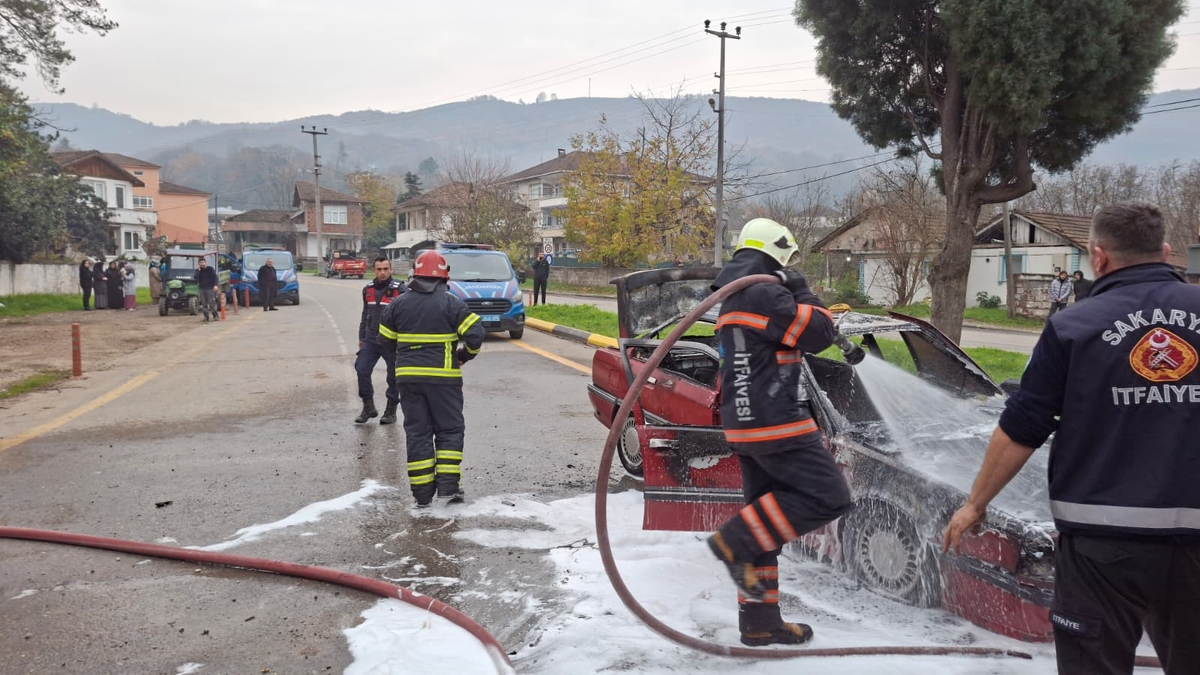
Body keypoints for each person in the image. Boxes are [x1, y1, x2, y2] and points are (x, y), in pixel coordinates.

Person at [943, 203, 1200, 675]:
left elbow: (1023, 425)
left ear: (1097, 257)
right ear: (1165, 251)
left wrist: (975, 504)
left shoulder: (1073, 326)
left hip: (1103, 544)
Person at [705, 218, 851, 647]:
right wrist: (800, 287)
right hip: (777, 420)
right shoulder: (767, 292)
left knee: (767, 521)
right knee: (829, 497)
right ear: (780, 254)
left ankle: (759, 622)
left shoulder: (733, 296)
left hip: (747, 423)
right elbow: (820, 333)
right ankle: (733, 539)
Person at [377, 250, 485, 507]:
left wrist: (403, 362)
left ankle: (422, 495)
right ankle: (448, 488)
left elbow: (384, 340)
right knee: (449, 430)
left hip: (408, 380)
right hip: (444, 380)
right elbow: (476, 334)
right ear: (444, 276)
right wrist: (463, 356)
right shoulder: (452, 303)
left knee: (417, 432)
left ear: (415, 274)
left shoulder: (398, 304)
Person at [354, 257, 407, 425]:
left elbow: (407, 317)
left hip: (391, 341)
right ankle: (368, 407)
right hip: (371, 339)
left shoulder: (401, 290)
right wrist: (361, 337)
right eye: (379, 269)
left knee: (393, 376)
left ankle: (390, 411)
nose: (382, 272)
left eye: (385, 269)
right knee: (361, 368)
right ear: (374, 270)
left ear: (391, 270)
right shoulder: (367, 289)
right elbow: (365, 315)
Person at [195, 256, 219, 323]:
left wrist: (215, 285)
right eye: (200, 263)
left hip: (210, 288)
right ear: (198, 264)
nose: (202, 264)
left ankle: (215, 316)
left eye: (203, 262)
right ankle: (206, 317)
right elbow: (195, 277)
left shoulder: (210, 269)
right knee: (204, 304)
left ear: (205, 263)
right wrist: (198, 271)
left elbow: (215, 277)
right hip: (202, 289)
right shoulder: (198, 270)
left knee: (211, 303)